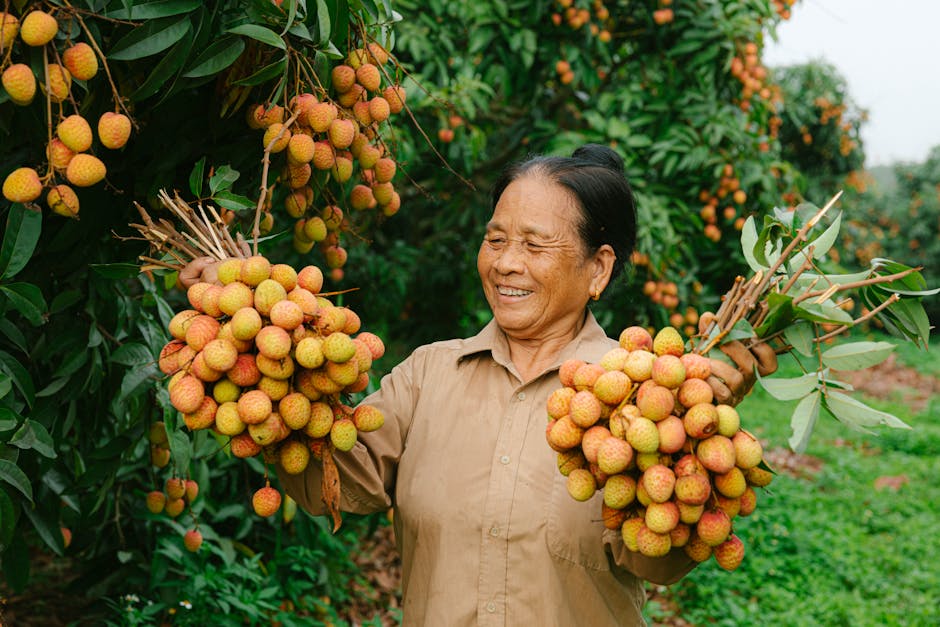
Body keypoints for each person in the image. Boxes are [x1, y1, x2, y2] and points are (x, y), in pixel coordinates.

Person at [182, 144, 777, 625]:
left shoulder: (639, 397)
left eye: (534, 244)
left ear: (598, 268)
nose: (505, 262)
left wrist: (692, 441)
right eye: (496, 239)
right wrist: (255, 350)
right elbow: (336, 482)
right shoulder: (427, 374)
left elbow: (658, 559)